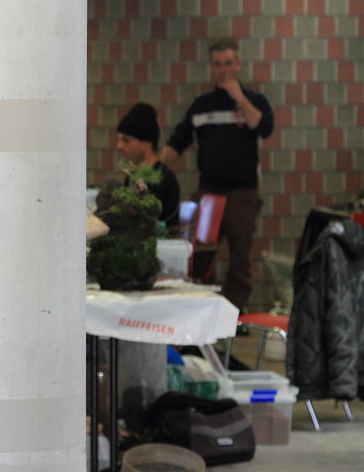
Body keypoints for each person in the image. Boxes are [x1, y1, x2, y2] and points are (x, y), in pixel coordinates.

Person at [161, 38, 274, 311]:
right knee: (201, 256)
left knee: (240, 260)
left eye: (228, 63)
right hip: (209, 193)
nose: (223, 70)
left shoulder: (254, 100)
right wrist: (153, 168)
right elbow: (178, 142)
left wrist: (238, 97)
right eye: (217, 64)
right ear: (211, 67)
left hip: (242, 194)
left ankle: (234, 316)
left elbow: (263, 127)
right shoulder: (201, 106)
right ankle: (205, 310)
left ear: (238, 65)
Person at [116, 102, 180, 231]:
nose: (119, 146)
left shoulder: (164, 178)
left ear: (146, 142)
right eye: (119, 139)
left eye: (126, 140)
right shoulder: (133, 176)